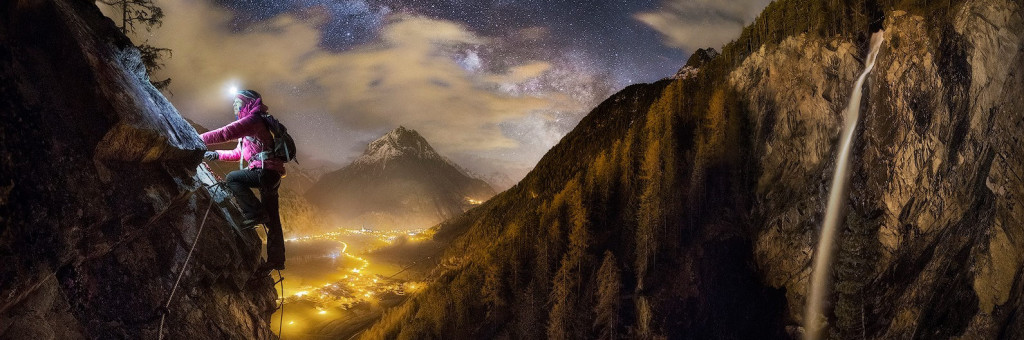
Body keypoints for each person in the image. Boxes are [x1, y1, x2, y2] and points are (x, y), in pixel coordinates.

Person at [201, 89, 286, 273]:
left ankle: (255, 212)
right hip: (271, 174)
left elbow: (225, 133)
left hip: (265, 172)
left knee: (233, 178)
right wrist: (216, 154)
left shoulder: (253, 120)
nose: (234, 106)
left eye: (237, 102)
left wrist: (196, 138)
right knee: (273, 220)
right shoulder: (252, 125)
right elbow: (239, 153)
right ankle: (276, 260)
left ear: (247, 103)